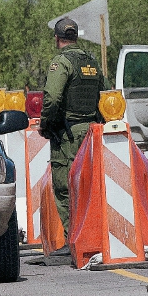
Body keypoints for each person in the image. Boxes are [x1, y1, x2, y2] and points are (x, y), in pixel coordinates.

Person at [40, 17, 105, 237]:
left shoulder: (62, 62)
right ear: (75, 37)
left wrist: (46, 123)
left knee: (64, 187)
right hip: (92, 132)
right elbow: (102, 96)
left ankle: (74, 239)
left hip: (68, 135)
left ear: (57, 38)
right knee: (89, 185)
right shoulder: (91, 62)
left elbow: (52, 98)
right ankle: (94, 235)